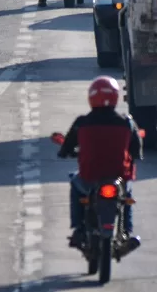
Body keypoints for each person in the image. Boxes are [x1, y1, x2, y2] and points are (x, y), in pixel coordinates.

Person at [57, 76, 142, 251]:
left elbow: (66, 147)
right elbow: (137, 150)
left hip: (89, 177)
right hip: (119, 177)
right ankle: (126, 232)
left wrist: (65, 152)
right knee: (126, 195)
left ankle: (78, 228)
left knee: (75, 182)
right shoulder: (127, 122)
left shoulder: (82, 123)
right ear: (115, 97)